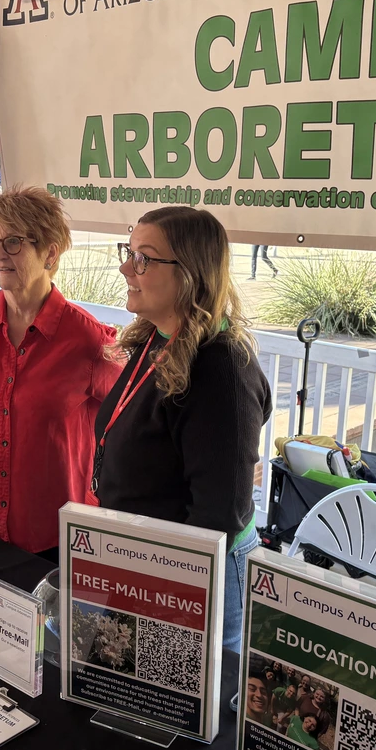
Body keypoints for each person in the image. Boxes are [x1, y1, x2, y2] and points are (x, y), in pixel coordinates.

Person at [91, 207, 272, 652]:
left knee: (190, 688)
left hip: (190, 578)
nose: (126, 268)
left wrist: (164, 598)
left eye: (143, 258)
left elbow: (217, 517)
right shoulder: (157, 337)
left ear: (190, 273)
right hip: (146, 562)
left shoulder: (221, 368)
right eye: (128, 252)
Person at [0, 187, 122, 558]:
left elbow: (128, 417)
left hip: (57, 537)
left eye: (13, 242)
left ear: (50, 253)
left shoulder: (89, 339)